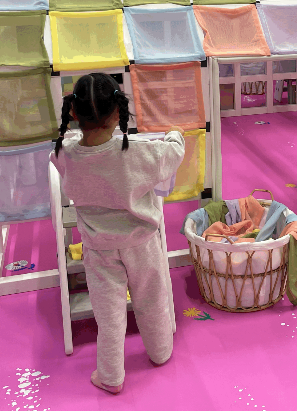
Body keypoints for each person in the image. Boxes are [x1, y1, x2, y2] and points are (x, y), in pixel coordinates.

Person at [50, 73, 185, 394]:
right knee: (152, 300)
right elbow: (173, 153)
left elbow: (62, 151)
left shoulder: (64, 155)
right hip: (142, 243)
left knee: (108, 316)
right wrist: (176, 134)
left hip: (99, 249)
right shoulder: (138, 153)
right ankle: (160, 352)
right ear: (117, 113)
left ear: (73, 112)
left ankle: (110, 376)